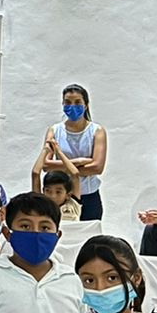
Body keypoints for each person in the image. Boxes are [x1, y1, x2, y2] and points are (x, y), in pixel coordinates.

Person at [39, 84, 108, 221]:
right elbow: (45, 165)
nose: (72, 106)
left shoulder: (97, 131)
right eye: (68, 102)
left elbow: (97, 167)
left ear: (86, 105)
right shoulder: (54, 130)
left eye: (77, 102)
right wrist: (79, 162)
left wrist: (61, 167)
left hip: (88, 195)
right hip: (60, 197)